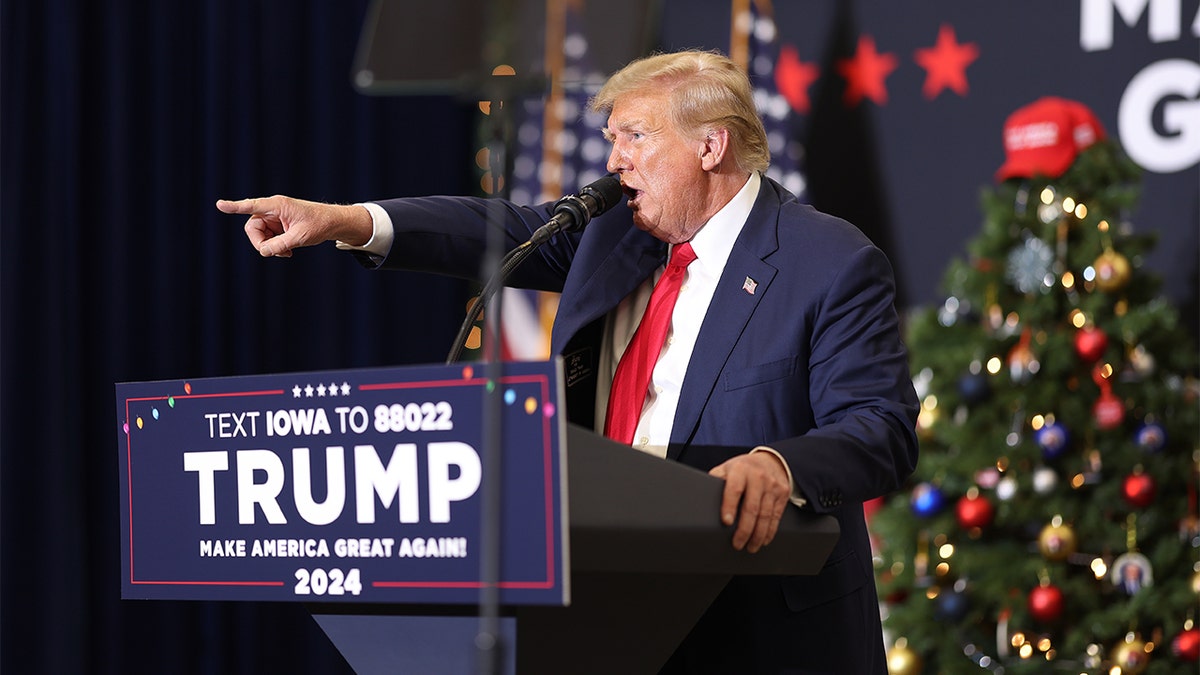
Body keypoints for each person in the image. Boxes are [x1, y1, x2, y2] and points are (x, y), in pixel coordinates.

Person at [218, 49, 919, 674]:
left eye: (635, 137)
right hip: (612, 617)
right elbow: (492, 231)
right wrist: (346, 220)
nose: (614, 162)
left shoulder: (827, 260)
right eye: (613, 139)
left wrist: (782, 464)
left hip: (761, 627)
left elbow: (882, 425)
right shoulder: (617, 237)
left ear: (711, 145)